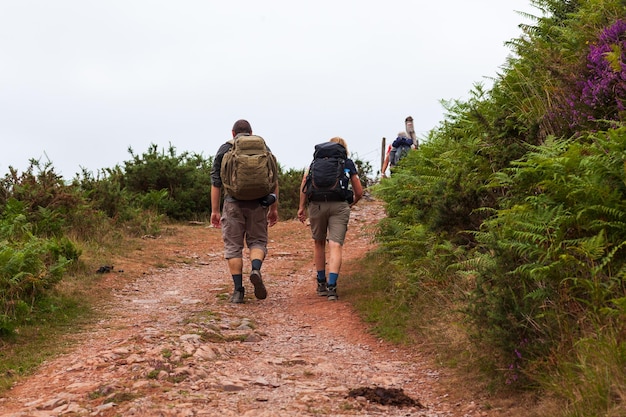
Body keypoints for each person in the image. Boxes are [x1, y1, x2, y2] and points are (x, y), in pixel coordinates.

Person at [210, 119, 279, 304]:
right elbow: (273, 179)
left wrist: (215, 211)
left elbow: (216, 181)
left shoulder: (225, 149)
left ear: (233, 133)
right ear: (251, 132)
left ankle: (238, 291)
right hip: (259, 203)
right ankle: (255, 269)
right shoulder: (263, 147)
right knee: (257, 241)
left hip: (233, 203)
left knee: (233, 247)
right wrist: (273, 207)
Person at [297, 137, 363, 301]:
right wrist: (350, 203)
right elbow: (359, 191)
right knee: (335, 245)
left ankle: (321, 283)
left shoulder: (314, 163)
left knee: (319, 243)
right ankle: (332, 287)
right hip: (339, 205)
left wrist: (301, 207)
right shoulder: (347, 163)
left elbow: (305, 183)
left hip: (317, 205)